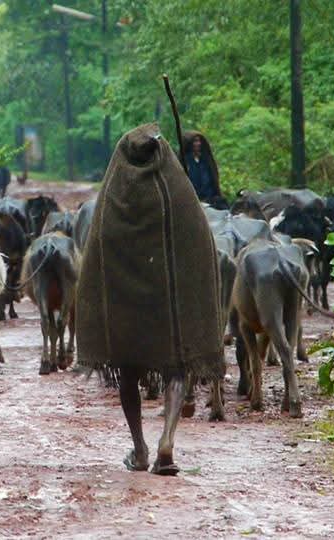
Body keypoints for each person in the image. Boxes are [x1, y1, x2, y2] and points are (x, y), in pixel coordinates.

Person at [76, 123, 225, 476]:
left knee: (128, 375)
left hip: (128, 315)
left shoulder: (113, 198)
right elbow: (201, 250)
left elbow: (96, 258)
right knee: (176, 368)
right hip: (170, 313)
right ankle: (167, 441)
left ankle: (140, 448)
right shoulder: (178, 193)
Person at [181, 131, 225, 208]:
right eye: (195, 141)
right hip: (192, 202)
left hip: (211, 201)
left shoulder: (206, 160)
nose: (198, 143)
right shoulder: (184, 162)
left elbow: (212, 181)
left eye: (199, 141)